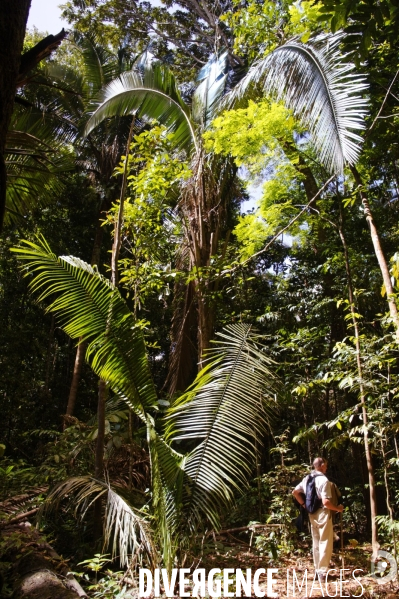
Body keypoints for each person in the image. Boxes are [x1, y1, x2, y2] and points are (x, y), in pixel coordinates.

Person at [292, 457, 344, 582]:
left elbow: (295, 492)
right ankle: (322, 572)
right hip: (323, 513)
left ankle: (317, 570)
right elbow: (326, 502)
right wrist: (338, 509)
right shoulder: (323, 480)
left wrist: (304, 505)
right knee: (325, 541)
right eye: (325, 465)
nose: (326, 467)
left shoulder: (307, 478)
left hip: (312, 513)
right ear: (321, 465)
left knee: (316, 542)